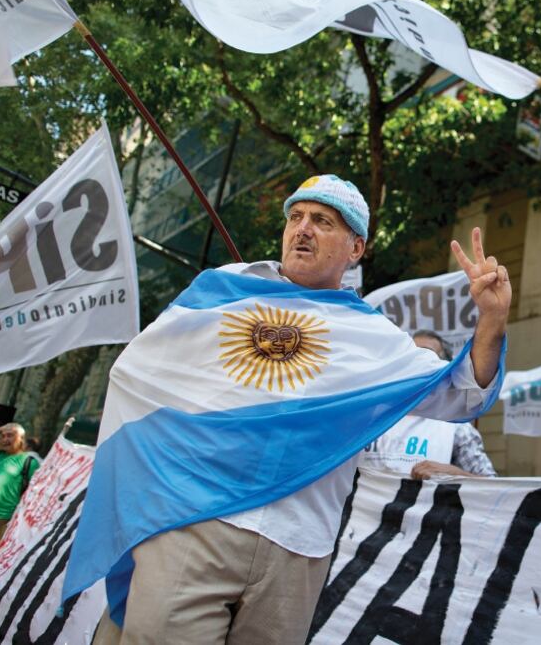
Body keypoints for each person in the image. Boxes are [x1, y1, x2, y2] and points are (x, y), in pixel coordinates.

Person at [90, 174, 511, 644]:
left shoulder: (374, 337)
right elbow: (138, 373)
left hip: (297, 550)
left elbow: (463, 392)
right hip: (196, 523)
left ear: (355, 249)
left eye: (322, 221)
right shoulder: (225, 289)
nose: (302, 229)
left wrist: (492, 321)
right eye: (296, 217)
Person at [360, 329, 497, 479]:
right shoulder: (366, 417)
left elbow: (493, 489)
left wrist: (455, 475)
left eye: (426, 356)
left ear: (444, 368)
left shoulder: (457, 428)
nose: (415, 363)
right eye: (409, 355)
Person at [0, 423, 39, 539]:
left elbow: (34, 493)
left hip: (4, 518)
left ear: (21, 439)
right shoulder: (0, 454)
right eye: (3, 436)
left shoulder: (29, 461)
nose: (5, 439)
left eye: (10, 435)